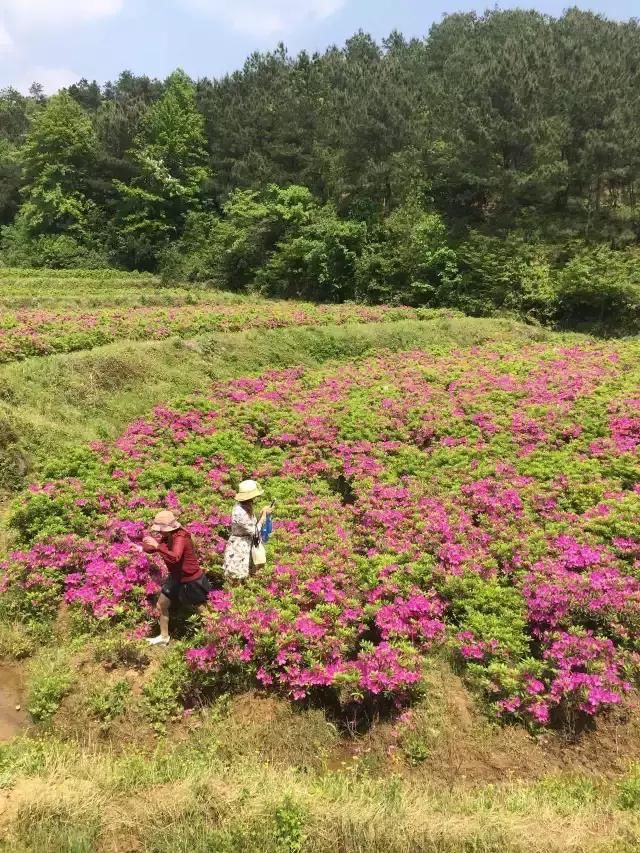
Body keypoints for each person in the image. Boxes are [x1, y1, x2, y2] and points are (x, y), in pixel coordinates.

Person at [142, 510, 211, 646]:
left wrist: (157, 546)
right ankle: (164, 637)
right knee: (161, 605)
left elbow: (175, 557)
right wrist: (141, 547)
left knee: (202, 611)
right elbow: (155, 548)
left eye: (161, 529)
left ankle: (213, 638)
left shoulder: (180, 537)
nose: (159, 532)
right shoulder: (167, 536)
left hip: (190, 579)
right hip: (175, 577)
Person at [223, 480, 272, 582]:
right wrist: (263, 516)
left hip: (246, 545)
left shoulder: (244, 507)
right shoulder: (240, 512)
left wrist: (262, 514)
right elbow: (255, 531)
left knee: (248, 577)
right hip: (239, 548)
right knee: (237, 578)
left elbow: (251, 524)